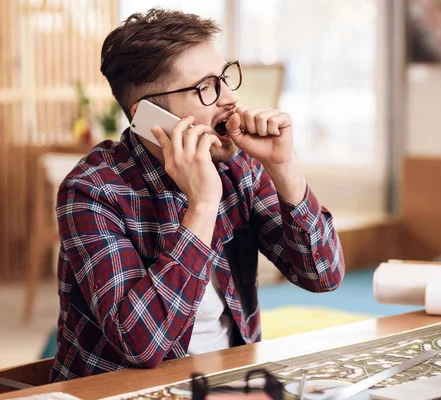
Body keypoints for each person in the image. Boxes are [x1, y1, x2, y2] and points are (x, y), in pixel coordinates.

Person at [50, 8, 344, 382]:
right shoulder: (92, 191)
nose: (230, 98)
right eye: (206, 87)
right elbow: (140, 344)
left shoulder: (239, 167)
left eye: (225, 78)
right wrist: (202, 206)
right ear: (149, 117)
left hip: (229, 383)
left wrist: (284, 168)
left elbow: (323, 275)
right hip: (124, 389)